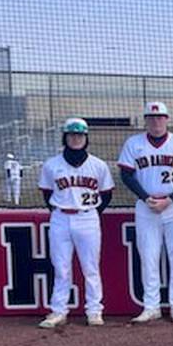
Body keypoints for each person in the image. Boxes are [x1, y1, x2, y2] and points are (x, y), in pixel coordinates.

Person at [120, 102, 173, 323]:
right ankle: (151, 306)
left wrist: (170, 199)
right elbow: (126, 175)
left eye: (160, 117)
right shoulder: (133, 143)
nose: (156, 122)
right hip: (147, 205)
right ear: (145, 120)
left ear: (167, 119)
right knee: (148, 255)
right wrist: (145, 197)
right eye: (152, 118)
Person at [36, 118, 114, 328]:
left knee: (91, 268)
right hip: (60, 218)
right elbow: (47, 194)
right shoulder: (52, 165)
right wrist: (61, 210)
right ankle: (58, 311)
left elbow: (106, 194)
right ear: (65, 137)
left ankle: (94, 311)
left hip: (87, 217)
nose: (76, 139)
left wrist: (90, 212)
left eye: (80, 135)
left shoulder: (98, 165)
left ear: (86, 138)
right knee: (61, 268)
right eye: (72, 135)